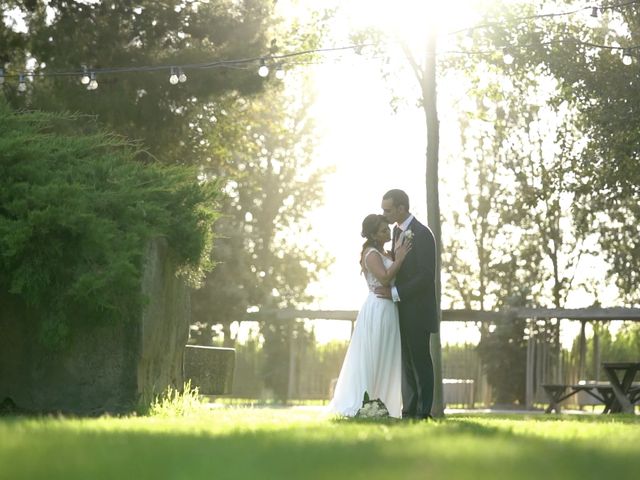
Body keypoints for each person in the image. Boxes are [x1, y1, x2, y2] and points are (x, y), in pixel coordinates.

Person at [327, 214, 412, 418]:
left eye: (387, 229)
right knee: (374, 354)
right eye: (383, 230)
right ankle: (365, 402)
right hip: (377, 308)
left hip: (390, 307)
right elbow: (383, 278)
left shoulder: (384, 252)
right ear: (373, 234)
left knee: (386, 354)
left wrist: (396, 253)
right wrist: (399, 259)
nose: (387, 233)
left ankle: (381, 404)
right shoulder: (371, 253)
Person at [376, 189, 439, 420]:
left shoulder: (422, 234)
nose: (384, 213)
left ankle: (424, 412)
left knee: (420, 361)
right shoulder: (395, 231)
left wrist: (395, 292)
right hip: (400, 309)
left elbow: (425, 276)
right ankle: (408, 411)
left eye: (388, 209)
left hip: (418, 310)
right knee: (406, 363)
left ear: (402, 208)